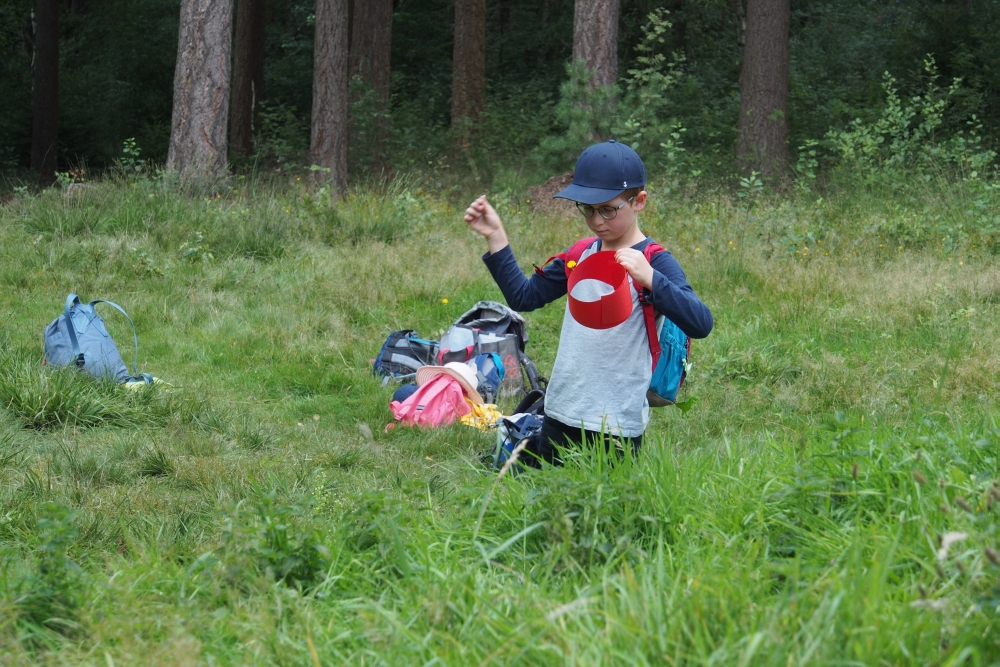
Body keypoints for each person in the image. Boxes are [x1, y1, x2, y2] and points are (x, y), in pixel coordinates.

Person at [463, 140, 713, 465]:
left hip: (617, 425)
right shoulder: (580, 254)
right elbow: (523, 296)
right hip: (561, 411)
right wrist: (496, 237)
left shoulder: (655, 262)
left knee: (602, 510)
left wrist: (651, 278)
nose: (597, 221)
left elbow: (701, 323)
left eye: (608, 209)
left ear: (639, 201)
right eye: (587, 209)